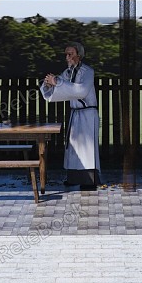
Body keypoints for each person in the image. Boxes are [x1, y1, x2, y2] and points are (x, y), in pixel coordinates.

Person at [40, 42, 101, 191]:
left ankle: (89, 181)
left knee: (86, 149)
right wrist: (49, 84)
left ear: (79, 56)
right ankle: (73, 178)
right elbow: (60, 85)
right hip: (75, 114)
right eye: (66, 54)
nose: (67, 57)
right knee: (74, 148)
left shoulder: (88, 72)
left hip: (87, 114)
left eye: (70, 54)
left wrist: (58, 82)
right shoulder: (67, 72)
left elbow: (81, 91)